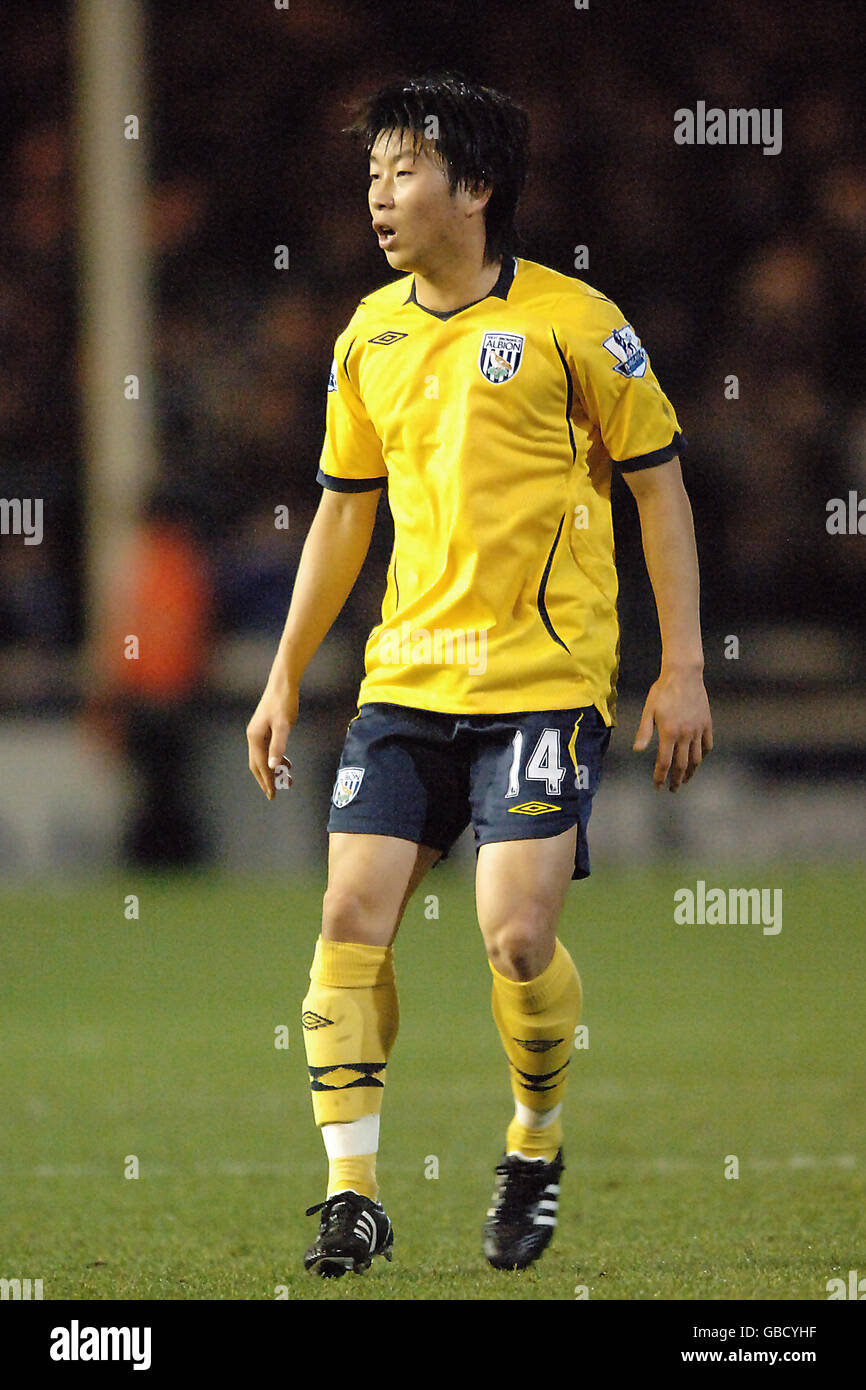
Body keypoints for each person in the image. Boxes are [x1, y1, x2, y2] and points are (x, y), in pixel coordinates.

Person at [246, 72, 712, 1278]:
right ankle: (352, 1191)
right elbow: (342, 516)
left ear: (476, 188)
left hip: (543, 683)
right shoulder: (370, 335)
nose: (380, 197)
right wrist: (284, 673)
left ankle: (533, 1140)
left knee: (511, 938)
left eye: (403, 172)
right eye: (370, 176)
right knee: (348, 918)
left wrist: (682, 668)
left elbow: (657, 483)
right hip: (404, 681)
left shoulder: (574, 322)